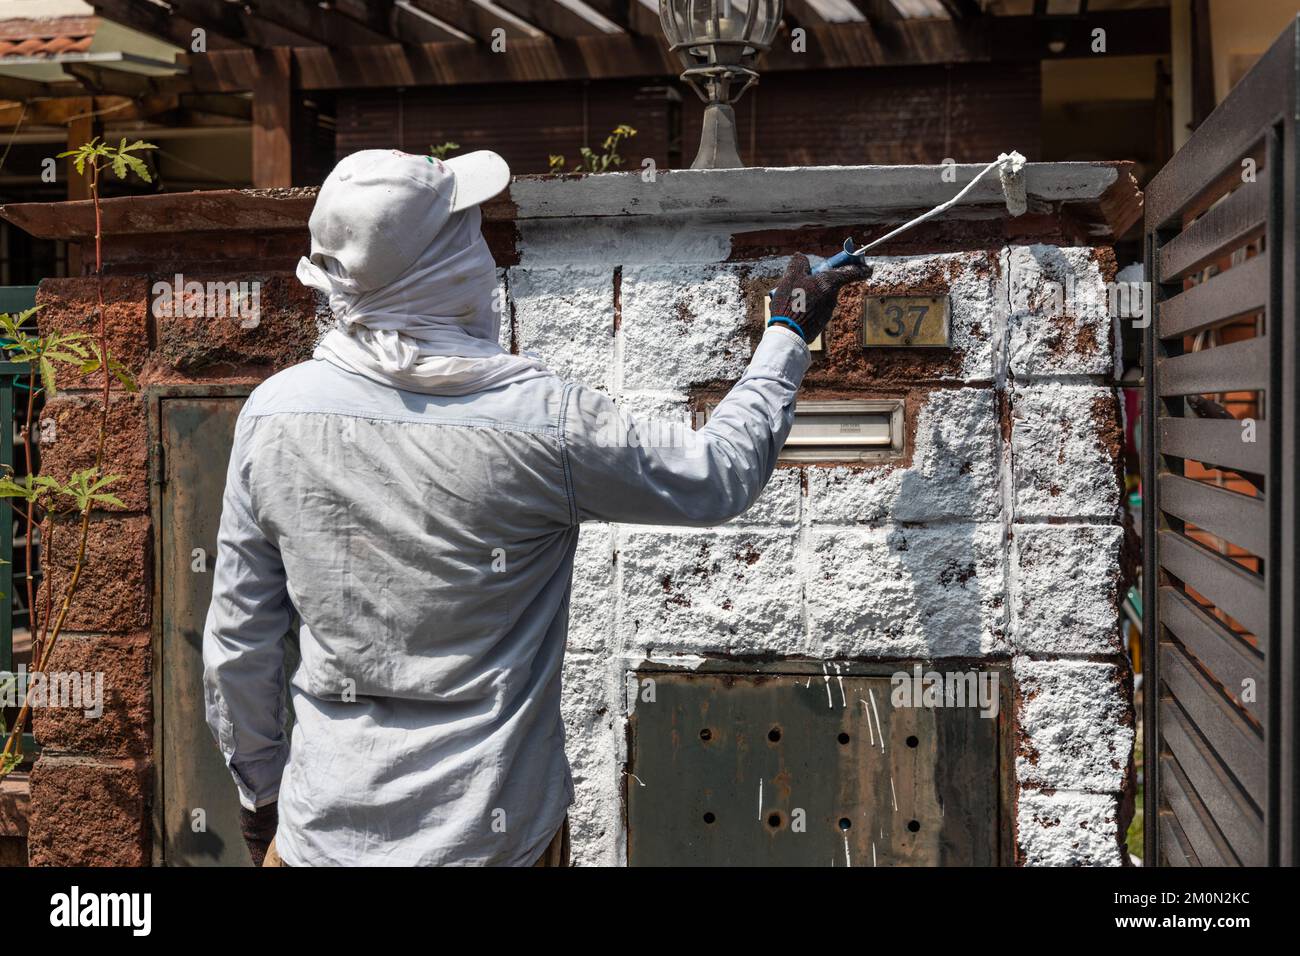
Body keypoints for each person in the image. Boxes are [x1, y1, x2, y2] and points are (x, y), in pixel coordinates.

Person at [202, 148, 867, 866]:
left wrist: (261, 799)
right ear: (443, 266)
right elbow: (715, 475)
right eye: (468, 233)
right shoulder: (541, 421)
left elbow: (239, 643)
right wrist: (788, 331)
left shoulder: (273, 415)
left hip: (320, 840)